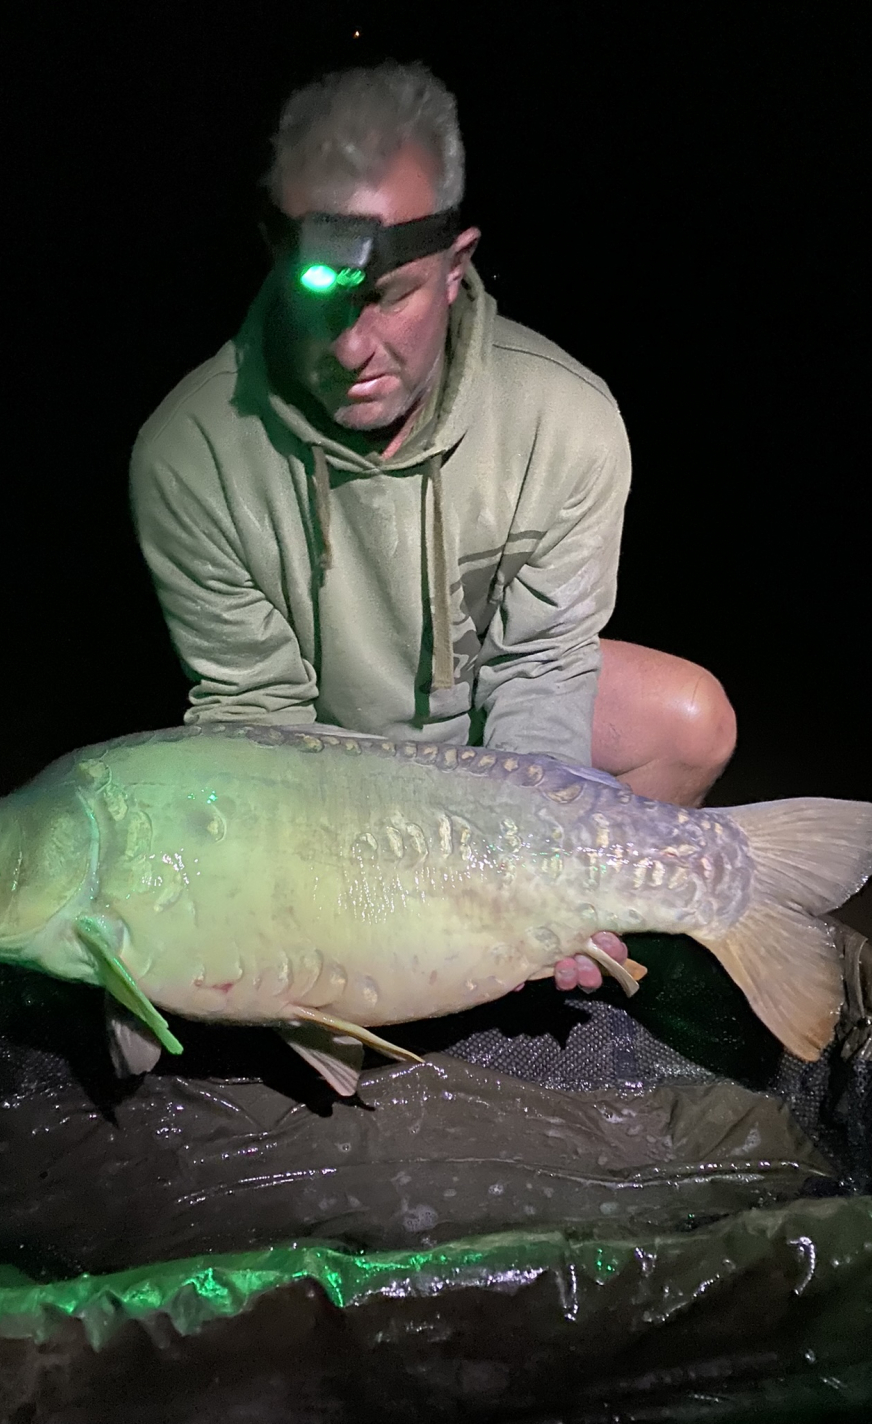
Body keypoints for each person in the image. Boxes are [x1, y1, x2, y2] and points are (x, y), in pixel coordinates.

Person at [129, 61, 737, 994]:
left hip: (496, 727)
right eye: (319, 299)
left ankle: (557, 930)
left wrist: (535, 879)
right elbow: (256, 722)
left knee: (691, 723)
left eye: (390, 297)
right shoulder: (188, 453)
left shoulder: (565, 420)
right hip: (328, 754)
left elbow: (541, 667)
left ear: (457, 268)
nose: (351, 348)